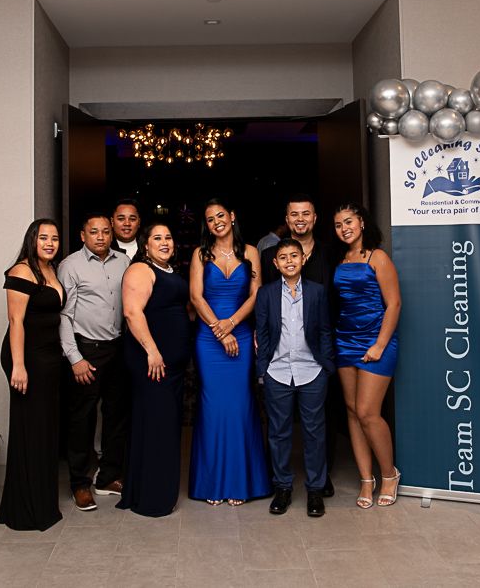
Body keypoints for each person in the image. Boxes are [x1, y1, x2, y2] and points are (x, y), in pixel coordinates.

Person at [188, 198, 270, 506]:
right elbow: (196, 296)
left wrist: (232, 324)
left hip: (242, 334)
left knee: (240, 404)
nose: (216, 222)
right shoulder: (200, 254)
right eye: (210, 219)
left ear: (232, 216)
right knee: (212, 406)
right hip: (209, 340)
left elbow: (257, 293)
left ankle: (239, 482)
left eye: (220, 215)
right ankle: (212, 484)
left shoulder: (250, 252)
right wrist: (219, 331)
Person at [260, 193, 339, 498]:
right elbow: (266, 314)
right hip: (279, 363)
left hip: (314, 360)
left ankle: (318, 483)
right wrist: (262, 365)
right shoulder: (269, 263)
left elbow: (331, 309)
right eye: (294, 214)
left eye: (306, 213)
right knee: (279, 430)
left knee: (316, 428)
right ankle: (282, 485)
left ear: (315, 218)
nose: (300, 219)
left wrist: (326, 362)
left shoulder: (328, 255)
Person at [116, 223, 191, 517]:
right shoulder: (140, 270)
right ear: (145, 244)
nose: (164, 242)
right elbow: (132, 313)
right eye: (157, 238)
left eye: (169, 237)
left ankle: (157, 489)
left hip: (170, 365)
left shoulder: (170, 271)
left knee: (165, 426)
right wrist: (153, 351)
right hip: (152, 363)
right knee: (157, 426)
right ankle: (152, 498)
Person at [57, 213, 130, 511]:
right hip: (87, 350)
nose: (100, 237)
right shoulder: (70, 266)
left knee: (116, 415)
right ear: (82, 235)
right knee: (82, 420)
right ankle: (79, 484)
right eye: (93, 232)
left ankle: (107, 477)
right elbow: (64, 316)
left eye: (105, 232)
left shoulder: (124, 262)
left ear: (111, 234)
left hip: (119, 348)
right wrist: (75, 358)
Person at [331, 202, 402, 509]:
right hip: (345, 340)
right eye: (337, 224)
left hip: (375, 341)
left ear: (361, 222)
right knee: (351, 411)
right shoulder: (343, 259)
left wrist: (380, 344)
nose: (343, 228)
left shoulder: (378, 257)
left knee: (368, 412)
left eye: (348, 221)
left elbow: (394, 304)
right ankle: (365, 479)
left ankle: (388, 474)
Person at [0, 219, 64, 531]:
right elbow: (16, 321)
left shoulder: (51, 269)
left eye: (54, 238)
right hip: (28, 358)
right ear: (32, 240)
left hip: (49, 357)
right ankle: (25, 509)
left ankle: (43, 500)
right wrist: (19, 366)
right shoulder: (21, 271)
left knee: (45, 429)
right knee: (31, 429)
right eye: (43, 238)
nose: (50, 243)